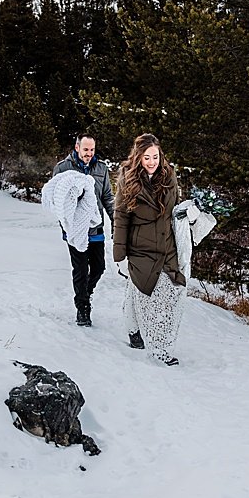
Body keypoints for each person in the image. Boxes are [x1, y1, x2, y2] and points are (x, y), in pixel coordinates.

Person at [112, 133, 187, 366]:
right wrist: (119, 255)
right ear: (138, 158)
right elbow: (121, 217)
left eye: (155, 156)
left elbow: (176, 208)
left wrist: (188, 215)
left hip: (167, 247)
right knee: (149, 296)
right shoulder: (128, 179)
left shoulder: (169, 175)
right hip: (140, 249)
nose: (152, 161)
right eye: (147, 157)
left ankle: (135, 331)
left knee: (156, 295)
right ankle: (159, 352)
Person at [53, 135, 115, 327]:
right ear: (77, 147)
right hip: (75, 230)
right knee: (80, 269)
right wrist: (66, 226)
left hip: (96, 228)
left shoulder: (101, 169)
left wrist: (116, 221)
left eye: (92, 150)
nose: (89, 154)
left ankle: (85, 294)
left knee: (98, 267)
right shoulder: (63, 168)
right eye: (86, 150)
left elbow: (107, 197)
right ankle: (83, 308)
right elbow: (58, 201)